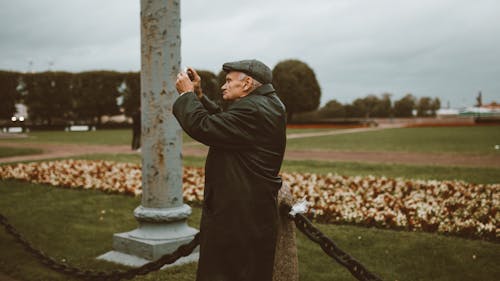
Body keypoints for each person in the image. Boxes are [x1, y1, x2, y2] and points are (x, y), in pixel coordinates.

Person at [173, 59, 287, 281]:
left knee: (226, 272)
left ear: (246, 84)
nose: (223, 86)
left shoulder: (253, 109)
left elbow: (204, 127)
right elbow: (225, 122)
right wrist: (199, 96)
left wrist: (186, 95)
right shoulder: (266, 103)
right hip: (250, 210)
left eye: (228, 81)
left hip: (237, 214)